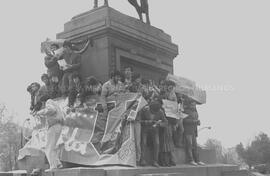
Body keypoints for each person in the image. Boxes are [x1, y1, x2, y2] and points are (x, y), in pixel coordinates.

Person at [140, 100, 166, 167]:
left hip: (155, 130)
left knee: (157, 143)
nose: (154, 113)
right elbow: (139, 120)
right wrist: (147, 122)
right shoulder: (144, 110)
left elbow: (165, 122)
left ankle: (155, 161)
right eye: (152, 112)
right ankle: (142, 160)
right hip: (145, 129)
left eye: (155, 112)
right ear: (150, 108)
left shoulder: (160, 112)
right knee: (143, 142)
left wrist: (159, 124)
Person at [182, 96, 205, 166]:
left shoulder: (195, 111)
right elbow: (184, 121)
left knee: (195, 146)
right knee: (189, 146)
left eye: (194, 104)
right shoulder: (185, 111)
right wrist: (194, 121)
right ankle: (191, 160)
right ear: (189, 104)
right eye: (192, 104)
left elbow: (196, 120)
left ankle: (197, 160)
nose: (194, 106)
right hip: (187, 130)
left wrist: (198, 122)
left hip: (194, 131)